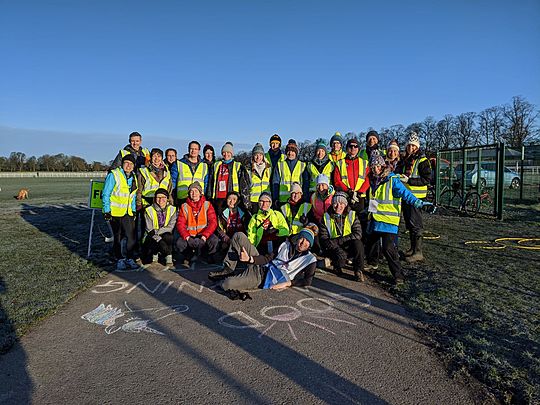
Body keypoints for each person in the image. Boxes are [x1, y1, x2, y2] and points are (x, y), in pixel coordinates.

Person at [364, 151, 434, 284]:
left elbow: (405, 194)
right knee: (372, 244)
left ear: (383, 166)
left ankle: (398, 275)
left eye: (378, 166)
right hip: (375, 218)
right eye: (373, 167)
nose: (375, 169)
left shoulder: (392, 180)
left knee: (388, 249)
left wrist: (420, 203)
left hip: (389, 221)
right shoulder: (372, 180)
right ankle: (372, 264)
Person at [216, 227, 318, 298]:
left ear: (310, 245)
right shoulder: (286, 244)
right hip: (260, 265)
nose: (303, 242)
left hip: (261, 278)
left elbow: (307, 281)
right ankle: (228, 269)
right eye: (302, 238)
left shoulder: (310, 260)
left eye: (307, 241)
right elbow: (267, 258)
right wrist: (250, 259)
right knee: (239, 236)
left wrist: (287, 284)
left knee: (226, 284)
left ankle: (234, 277)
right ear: (298, 238)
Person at [395, 132, 432, 263]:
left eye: (413, 146)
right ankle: (412, 248)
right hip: (407, 195)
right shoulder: (407, 160)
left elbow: (427, 179)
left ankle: (418, 252)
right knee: (410, 223)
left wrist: (409, 181)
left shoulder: (422, 161)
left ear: (417, 147)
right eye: (408, 145)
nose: (410, 148)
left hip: (417, 196)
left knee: (416, 223)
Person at [102, 154, 139, 270]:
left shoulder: (134, 177)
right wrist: (107, 210)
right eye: (126, 163)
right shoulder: (114, 175)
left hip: (128, 212)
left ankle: (130, 258)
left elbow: (132, 196)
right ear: (122, 164)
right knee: (117, 237)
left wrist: (133, 210)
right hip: (115, 212)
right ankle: (120, 259)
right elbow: (106, 194)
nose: (128, 166)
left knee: (131, 237)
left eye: (131, 164)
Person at [319, 191, 364, 281]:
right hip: (333, 247)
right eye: (335, 203)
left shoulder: (352, 215)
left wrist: (340, 241)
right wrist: (337, 248)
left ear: (346, 204)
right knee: (340, 261)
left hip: (347, 244)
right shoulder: (326, 217)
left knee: (358, 244)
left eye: (342, 203)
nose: (338, 206)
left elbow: (358, 234)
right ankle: (335, 263)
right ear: (332, 204)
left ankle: (358, 270)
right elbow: (324, 238)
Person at [176, 182, 219, 263]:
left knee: (214, 240)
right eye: (191, 191)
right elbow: (180, 224)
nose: (194, 193)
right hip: (190, 235)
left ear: (200, 193)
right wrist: (187, 237)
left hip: (204, 234)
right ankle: (189, 255)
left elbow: (213, 222)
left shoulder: (207, 204)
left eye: (196, 191)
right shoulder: (184, 206)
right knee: (180, 243)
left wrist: (204, 236)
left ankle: (207, 255)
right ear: (189, 194)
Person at [210, 142, 251, 214]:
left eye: (228, 152)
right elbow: (211, 181)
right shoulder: (216, 165)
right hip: (219, 198)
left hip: (232, 198)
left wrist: (245, 200)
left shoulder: (237, 166)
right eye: (224, 152)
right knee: (221, 219)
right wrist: (209, 197)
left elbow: (244, 184)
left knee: (232, 219)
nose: (226, 154)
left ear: (232, 153)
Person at [333, 138, 370, 214]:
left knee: (360, 220)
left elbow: (368, 179)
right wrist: (348, 191)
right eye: (350, 146)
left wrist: (360, 192)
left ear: (358, 149)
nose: (353, 148)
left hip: (360, 197)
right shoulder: (340, 163)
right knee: (346, 220)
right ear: (347, 148)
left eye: (356, 146)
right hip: (345, 196)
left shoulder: (364, 163)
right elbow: (337, 181)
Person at [142, 188, 177, 266]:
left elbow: (171, 227)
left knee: (169, 237)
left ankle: (168, 256)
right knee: (155, 241)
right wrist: (158, 238)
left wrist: (159, 233)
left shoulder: (173, 209)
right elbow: (149, 228)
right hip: (151, 235)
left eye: (163, 197)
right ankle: (159, 254)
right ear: (155, 198)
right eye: (158, 197)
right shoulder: (149, 210)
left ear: (167, 199)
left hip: (164, 234)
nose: (161, 199)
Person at [272, 139, 309, 206]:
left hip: (298, 200)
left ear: (296, 153)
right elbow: (275, 182)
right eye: (288, 151)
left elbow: (305, 183)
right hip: (283, 200)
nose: (290, 153)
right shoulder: (280, 165)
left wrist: (305, 197)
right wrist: (275, 198)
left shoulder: (302, 165)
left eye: (292, 151)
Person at [171, 141, 209, 206]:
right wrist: (173, 197)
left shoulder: (204, 165)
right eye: (191, 148)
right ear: (188, 149)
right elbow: (173, 182)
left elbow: (206, 183)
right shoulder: (179, 163)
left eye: (195, 149)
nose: (193, 151)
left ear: (199, 150)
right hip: (182, 198)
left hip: (198, 199)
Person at [249, 143, 272, 215]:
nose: (258, 157)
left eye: (260, 155)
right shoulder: (248, 169)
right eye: (256, 155)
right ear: (253, 156)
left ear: (263, 156)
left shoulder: (269, 168)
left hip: (266, 201)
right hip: (254, 201)